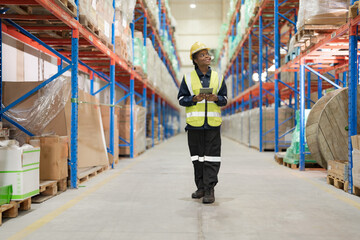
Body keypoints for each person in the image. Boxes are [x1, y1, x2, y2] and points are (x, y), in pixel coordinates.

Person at [177, 42, 227, 204]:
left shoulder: (218, 77)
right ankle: (200, 188)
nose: (207, 57)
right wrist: (193, 99)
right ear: (195, 60)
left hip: (212, 125)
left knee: (212, 158)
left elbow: (224, 99)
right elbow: (181, 99)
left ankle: (210, 189)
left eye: (207, 54)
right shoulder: (187, 78)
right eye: (202, 55)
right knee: (197, 159)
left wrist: (216, 98)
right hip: (194, 125)